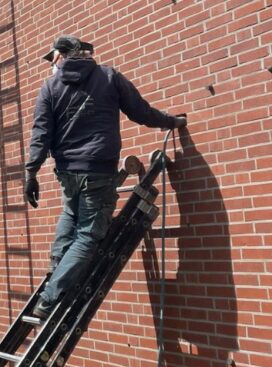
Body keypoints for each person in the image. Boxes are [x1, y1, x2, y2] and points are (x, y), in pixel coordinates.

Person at [24, 35, 186, 319]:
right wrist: (170, 121)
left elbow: (41, 133)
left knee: (70, 213)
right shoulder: (109, 77)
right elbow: (142, 112)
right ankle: (50, 297)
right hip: (98, 169)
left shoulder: (50, 87)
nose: (52, 64)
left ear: (64, 55)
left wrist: (31, 172)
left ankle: (58, 267)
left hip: (67, 171)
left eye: (54, 58)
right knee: (88, 234)